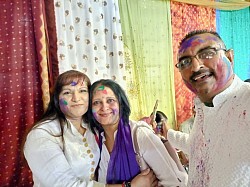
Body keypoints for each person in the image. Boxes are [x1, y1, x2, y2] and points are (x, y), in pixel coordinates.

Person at [23, 70, 156, 187]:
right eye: (67, 92)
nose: (76, 98)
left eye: (82, 91)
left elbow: (116, 124)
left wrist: (143, 126)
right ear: (57, 99)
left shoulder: (93, 128)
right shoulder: (43, 135)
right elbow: (65, 184)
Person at [166, 30, 250, 186]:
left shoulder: (246, 100)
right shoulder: (204, 107)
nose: (196, 67)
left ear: (230, 57)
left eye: (207, 53)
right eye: (185, 62)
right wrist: (166, 134)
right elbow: (196, 147)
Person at [88, 79, 188, 187]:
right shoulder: (96, 143)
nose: (104, 107)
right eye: (96, 102)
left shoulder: (139, 134)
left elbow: (174, 182)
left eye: (110, 100)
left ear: (121, 104)